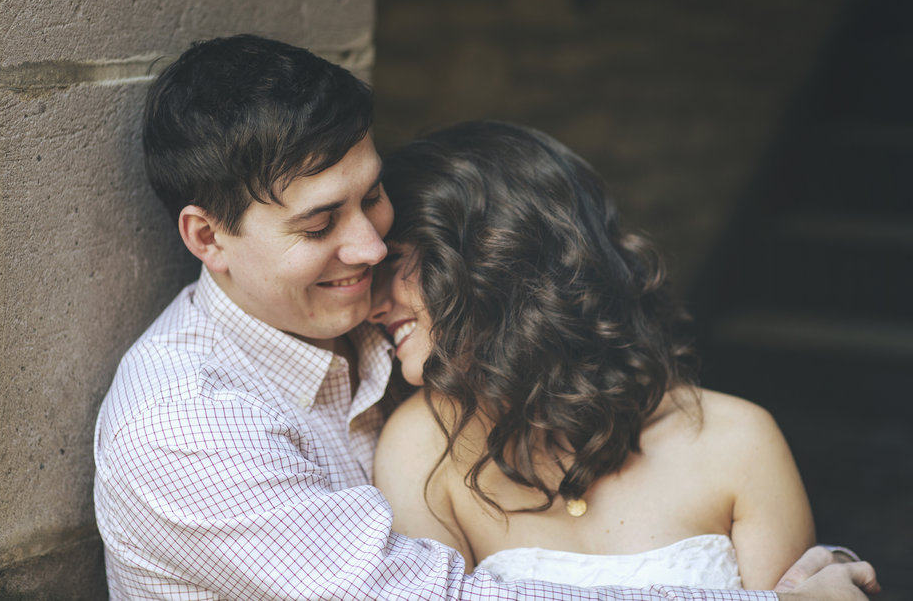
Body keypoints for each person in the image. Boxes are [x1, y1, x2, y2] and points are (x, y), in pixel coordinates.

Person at [93, 33, 878, 600]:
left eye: (373, 198)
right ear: (207, 236)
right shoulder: (184, 428)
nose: (368, 248)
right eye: (320, 222)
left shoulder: (375, 328)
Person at [369, 121, 874, 590]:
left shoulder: (740, 441)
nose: (372, 304)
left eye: (394, 263)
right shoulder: (422, 448)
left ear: (492, 262)